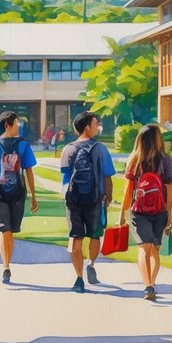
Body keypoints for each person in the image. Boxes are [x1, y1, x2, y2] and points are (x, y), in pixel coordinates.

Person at [117, 123, 172, 301]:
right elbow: (170, 195)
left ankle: (148, 286)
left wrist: (122, 214)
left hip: (139, 211)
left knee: (144, 249)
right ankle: (152, 282)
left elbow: (128, 191)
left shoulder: (134, 160)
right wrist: (169, 218)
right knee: (154, 250)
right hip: (159, 212)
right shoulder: (166, 161)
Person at [0, 111, 39, 284]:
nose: (19, 127)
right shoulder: (22, 146)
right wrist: (33, 196)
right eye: (16, 124)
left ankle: (6, 265)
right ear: (8, 125)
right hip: (15, 193)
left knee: (7, 231)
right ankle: (6, 266)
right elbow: (28, 171)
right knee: (6, 230)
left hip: (5, 192)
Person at [59, 112, 115, 293]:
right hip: (95, 199)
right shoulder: (100, 149)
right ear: (87, 127)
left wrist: (66, 197)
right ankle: (91, 264)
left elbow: (65, 177)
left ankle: (78, 277)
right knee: (94, 235)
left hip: (73, 199)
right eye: (95, 124)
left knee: (76, 238)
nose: (97, 126)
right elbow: (107, 176)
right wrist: (108, 196)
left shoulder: (67, 149)